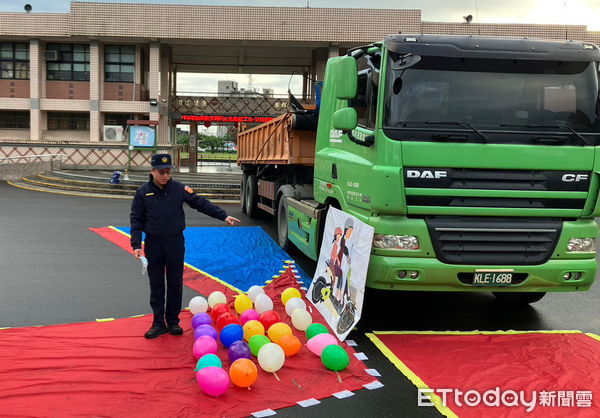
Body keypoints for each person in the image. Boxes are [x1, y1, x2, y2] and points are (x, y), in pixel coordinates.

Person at [130, 153, 240, 338]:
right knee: (157, 285)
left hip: (175, 243)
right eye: (161, 172)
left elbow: (200, 203)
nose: (165, 175)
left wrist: (223, 215)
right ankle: (158, 323)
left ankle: (173, 321)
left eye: (168, 172)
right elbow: (136, 219)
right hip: (154, 244)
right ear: (152, 171)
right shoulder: (143, 192)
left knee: (175, 283)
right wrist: (136, 244)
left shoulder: (179, 188)